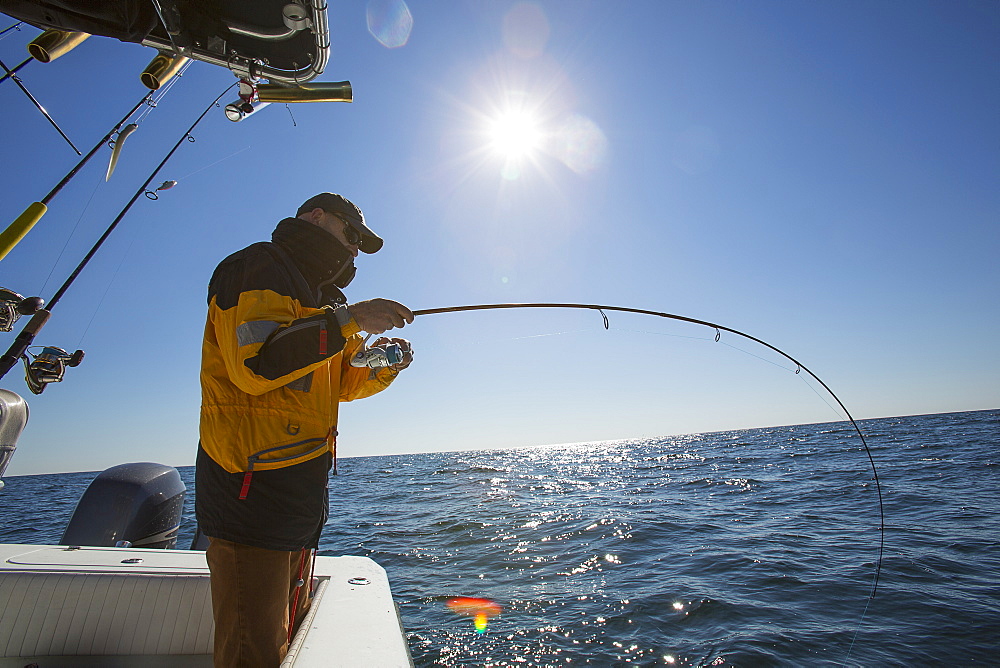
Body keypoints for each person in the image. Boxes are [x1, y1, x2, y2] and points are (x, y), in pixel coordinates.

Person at [195, 193, 413, 667]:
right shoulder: (257, 267)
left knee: (280, 631)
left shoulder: (327, 299)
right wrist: (351, 320)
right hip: (249, 488)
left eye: (360, 244)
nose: (354, 250)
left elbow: (339, 383)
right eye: (350, 235)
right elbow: (258, 364)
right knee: (251, 648)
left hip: (299, 487)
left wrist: (384, 365)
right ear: (315, 217)